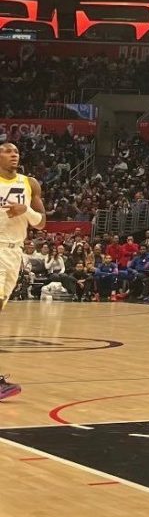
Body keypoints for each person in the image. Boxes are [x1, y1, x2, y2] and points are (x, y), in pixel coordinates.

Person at [0, 142, 46, 400]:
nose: (13, 155)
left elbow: (41, 223)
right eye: (7, 151)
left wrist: (25, 209)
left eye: (16, 151)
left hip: (14, 252)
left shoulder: (30, 183)